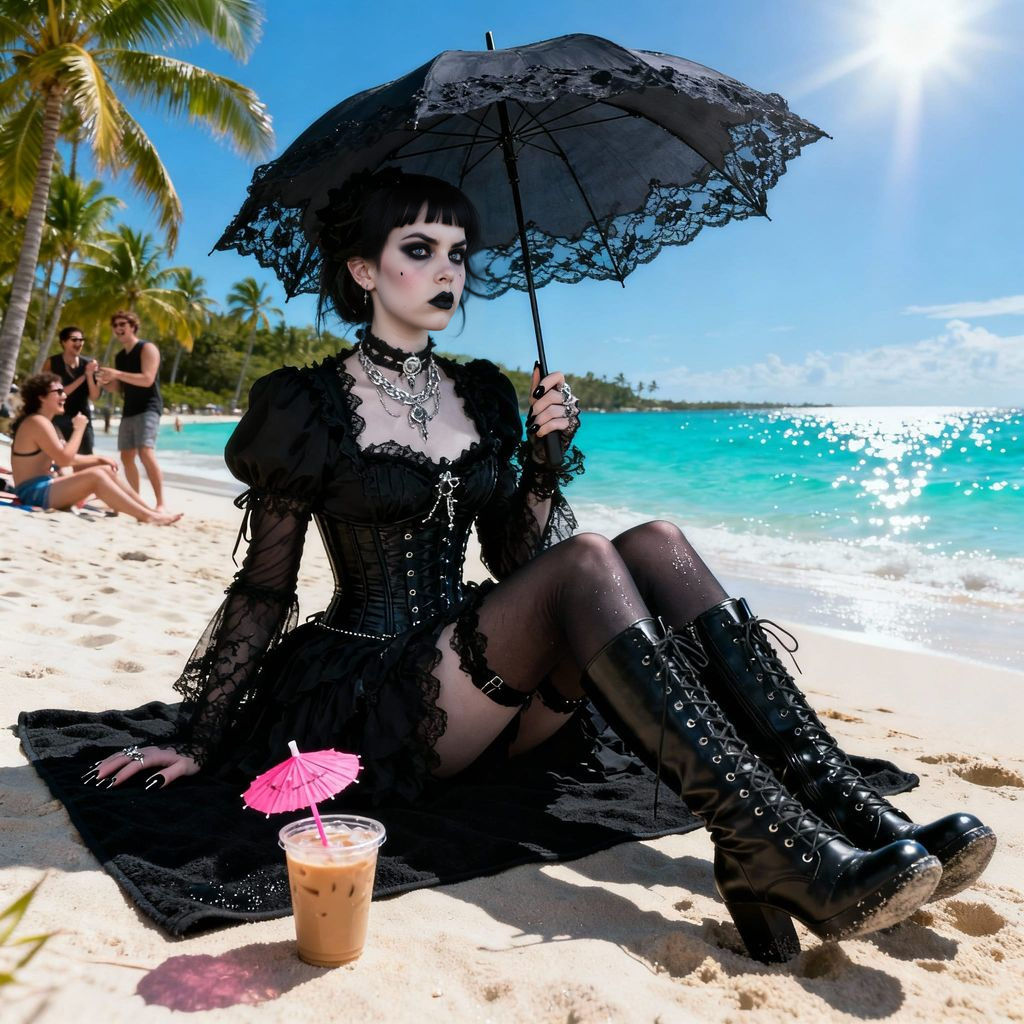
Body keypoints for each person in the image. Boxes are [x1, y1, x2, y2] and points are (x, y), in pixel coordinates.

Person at [81, 171, 992, 962]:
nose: (449, 270)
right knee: (589, 558)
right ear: (363, 270)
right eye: (420, 248)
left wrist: (544, 465)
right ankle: (766, 848)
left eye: (459, 252)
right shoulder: (304, 406)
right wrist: (198, 734)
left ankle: (842, 807)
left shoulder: (480, 391)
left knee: (657, 542)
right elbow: (266, 585)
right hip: (381, 697)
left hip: (490, 683)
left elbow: (518, 559)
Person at [8, 372, 182, 524]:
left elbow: (65, 457)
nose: (64, 396)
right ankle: (147, 516)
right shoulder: (37, 422)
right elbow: (64, 459)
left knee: (104, 470)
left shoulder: (43, 422)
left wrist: (98, 459)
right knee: (96, 476)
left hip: (44, 487)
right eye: (58, 392)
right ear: (41, 397)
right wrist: (79, 429)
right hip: (33, 493)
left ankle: (150, 511)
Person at [96, 311, 168, 510]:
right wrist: (104, 382)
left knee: (146, 452)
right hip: (129, 409)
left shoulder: (147, 348)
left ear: (133, 326)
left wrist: (117, 373)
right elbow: (119, 388)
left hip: (149, 407)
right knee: (127, 456)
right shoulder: (120, 356)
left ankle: (160, 503)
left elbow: (147, 379)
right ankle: (136, 500)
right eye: (115, 325)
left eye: (123, 324)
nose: (119, 328)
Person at [47, 325, 99, 460]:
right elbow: (59, 392)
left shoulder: (89, 364)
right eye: (74, 339)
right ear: (63, 342)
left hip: (82, 417)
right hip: (58, 418)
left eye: (81, 340)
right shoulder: (52, 363)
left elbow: (94, 396)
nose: (79, 343)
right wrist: (83, 376)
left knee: (84, 461)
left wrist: (89, 375)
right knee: (61, 459)